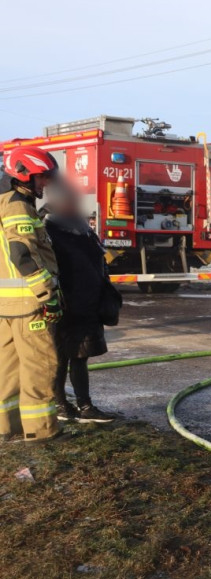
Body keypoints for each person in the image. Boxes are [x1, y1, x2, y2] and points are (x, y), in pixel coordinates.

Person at [0, 146, 63, 442]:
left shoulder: (5, 202)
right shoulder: (17, 206)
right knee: (40, 366)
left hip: (7, 306)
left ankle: (6, 428)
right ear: (23, 175)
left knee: (8, 371)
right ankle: (41, 432)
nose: (45, 183)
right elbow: (22, 252)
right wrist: (47, 294)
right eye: (42, 177)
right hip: (28, 303)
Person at [44, 180, 118, 423]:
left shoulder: (84, 229)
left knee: (80, 357)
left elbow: (98, 262)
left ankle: (85, 406)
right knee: (59, 357)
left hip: (88, 306)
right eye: (69, 200)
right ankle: (60, 404)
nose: (74, 204)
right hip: (64, 306)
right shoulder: (48, 230)